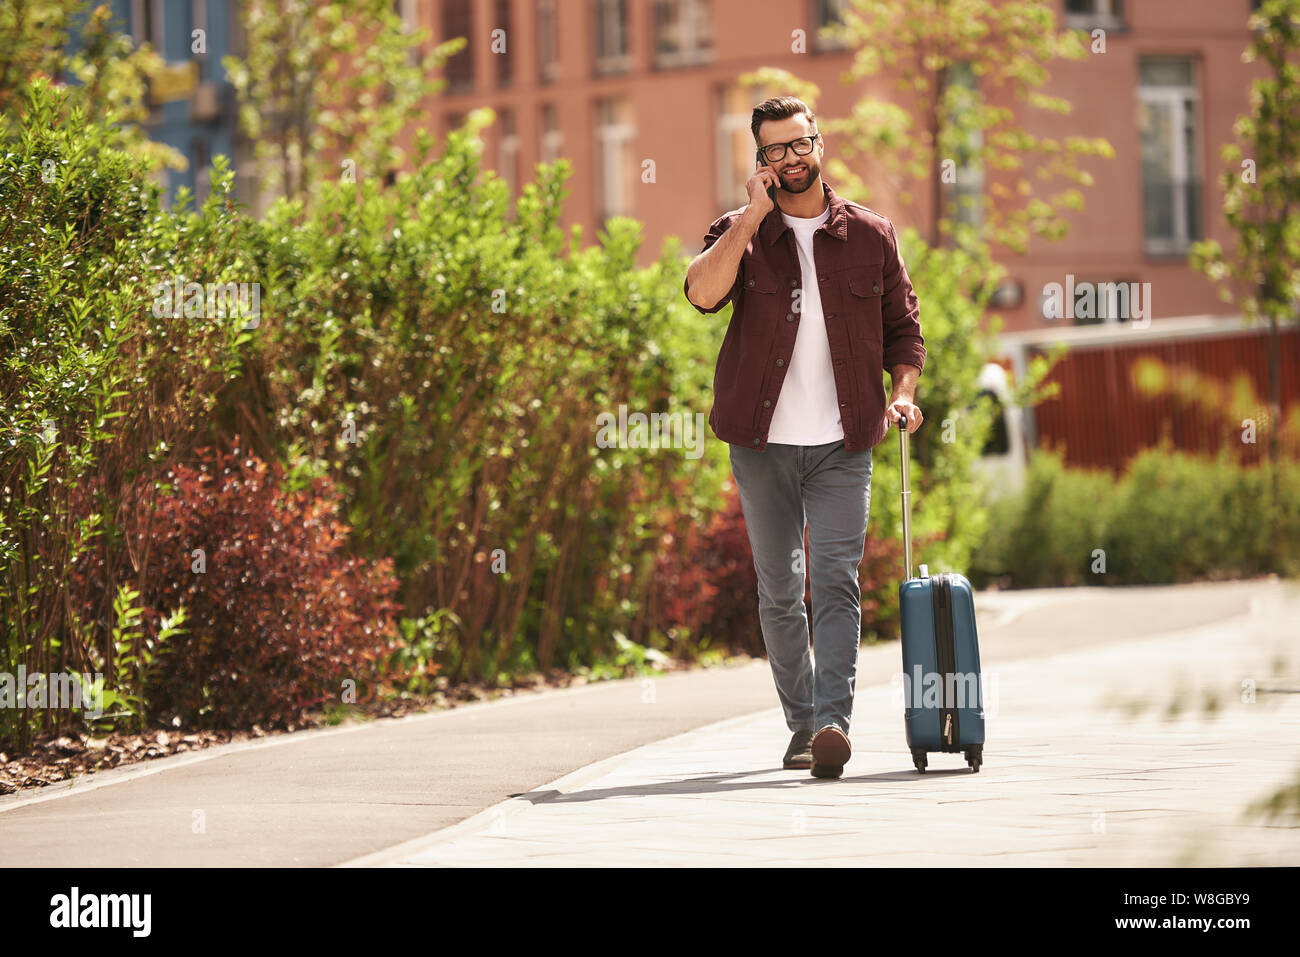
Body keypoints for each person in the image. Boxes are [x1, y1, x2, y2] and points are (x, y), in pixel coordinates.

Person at [682, 95, 925, 779]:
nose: (789, 158)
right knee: (781, 589)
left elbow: (905, 330)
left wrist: (902, 395)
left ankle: (831, 723)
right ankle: (799, 723)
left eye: (799, 144)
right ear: (760, 161)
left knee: (836, 581)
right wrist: (752, 218)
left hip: (843, 441)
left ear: (819, 143)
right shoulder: (742, 230)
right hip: (760, 443)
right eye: (774, 150)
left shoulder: (871, 236)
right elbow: (701, 293)